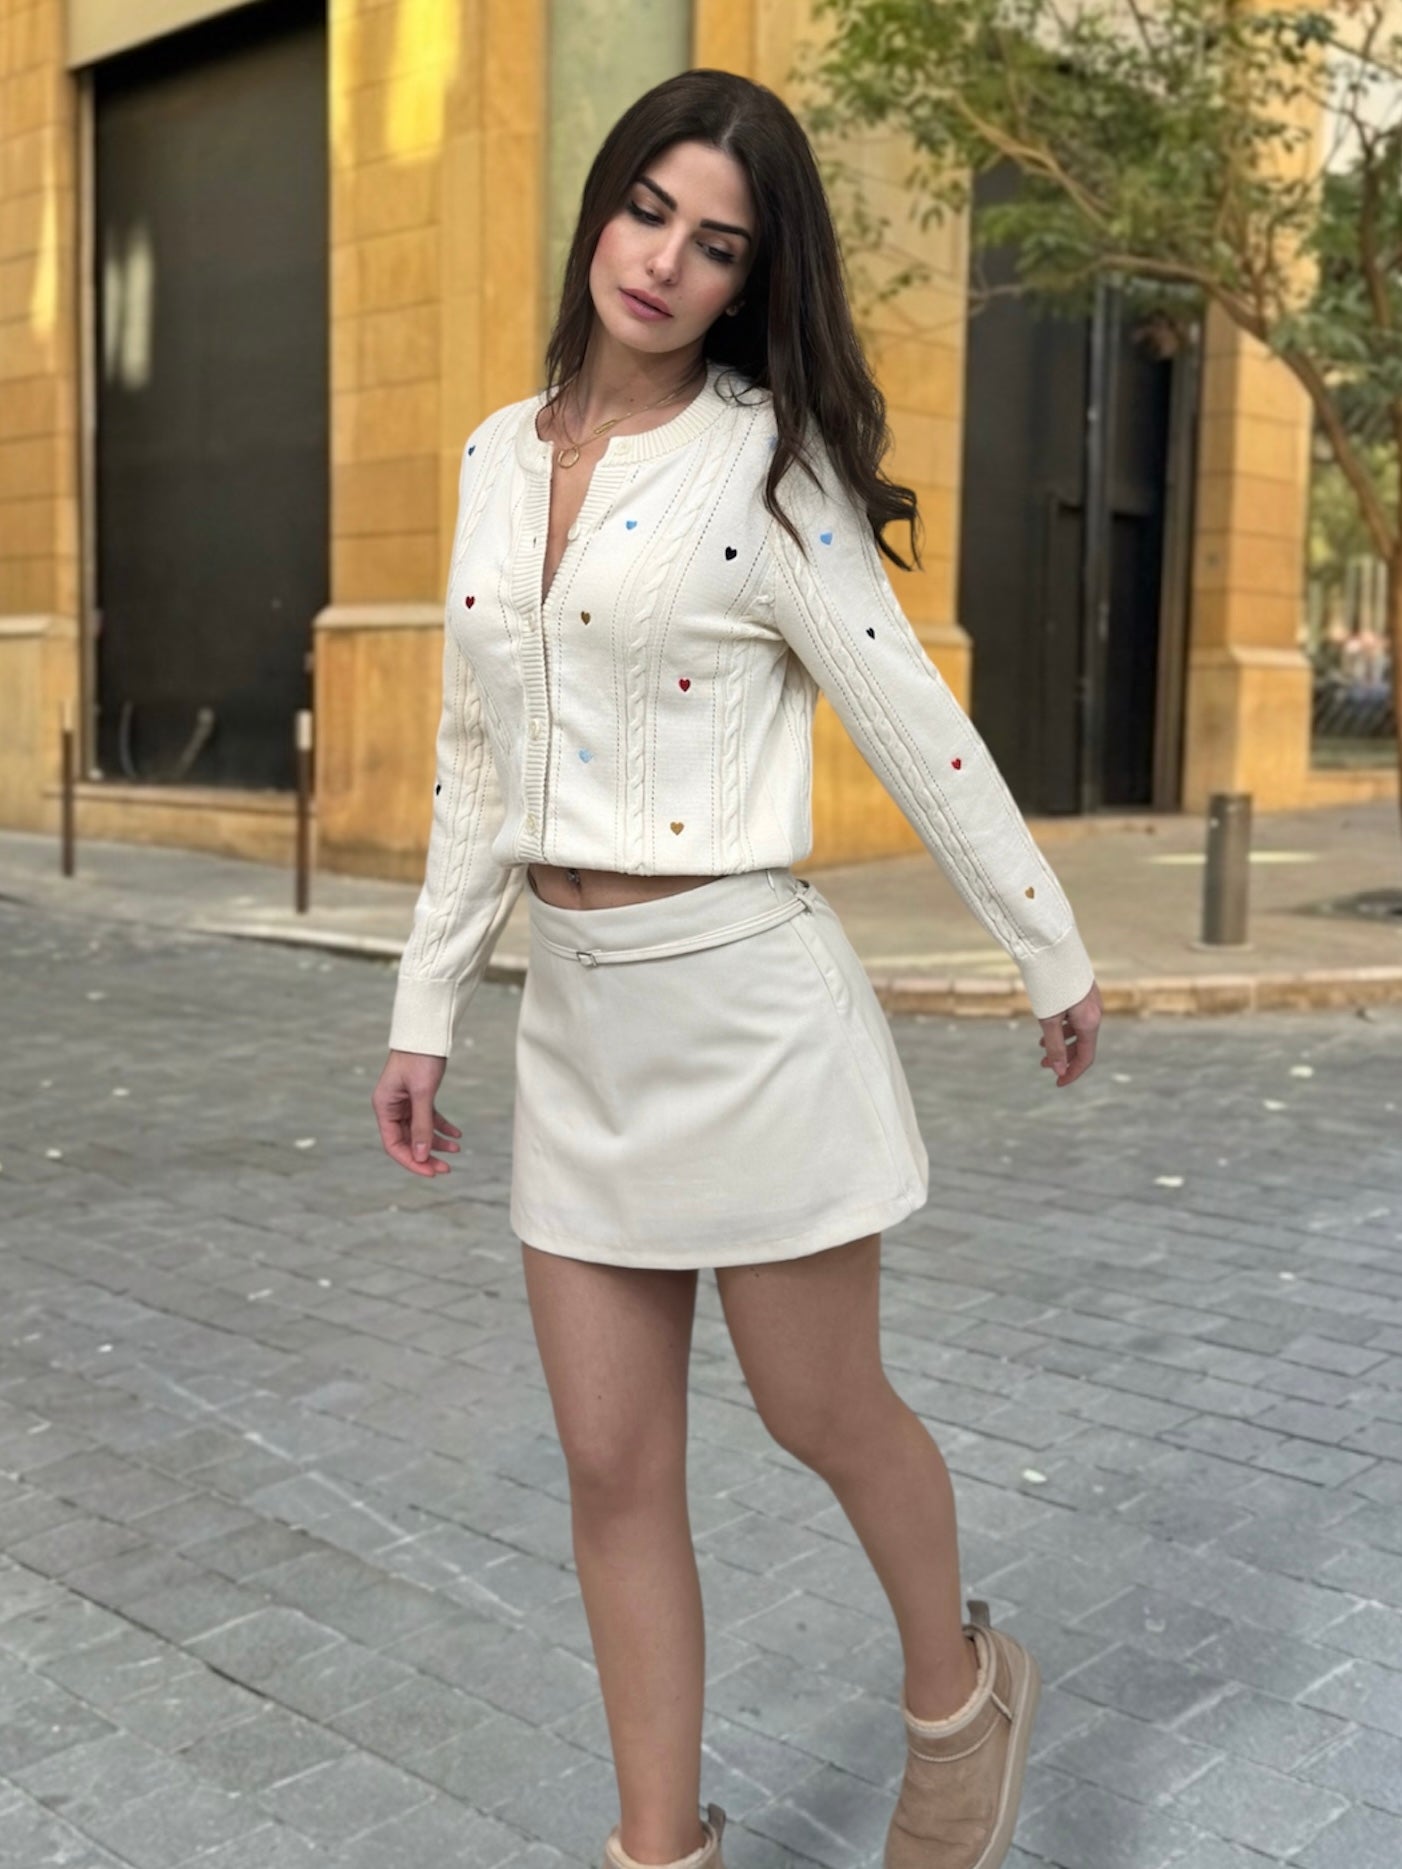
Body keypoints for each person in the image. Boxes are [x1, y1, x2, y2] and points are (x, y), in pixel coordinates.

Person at [372, 68, 1102, 1869]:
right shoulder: (491, 454)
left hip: (749, 1013)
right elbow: (477, 757)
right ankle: (658, 1849)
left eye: (714, 245)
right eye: (646, 211)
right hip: (578, 1021)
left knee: (819, 1409)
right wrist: (423, 1004)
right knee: (610, 1466)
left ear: (745, 281)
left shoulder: (766, 466)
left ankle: (958, 1696)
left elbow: (905, 711)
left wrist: (1046, 944)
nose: (662, 260)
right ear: (599, 206)